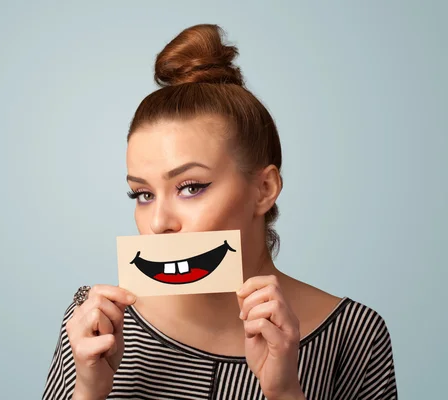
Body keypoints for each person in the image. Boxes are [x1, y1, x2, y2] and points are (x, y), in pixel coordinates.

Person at [42, 24, 398, 400]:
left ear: (265, 189)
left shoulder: (355, 334)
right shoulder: (95, 323)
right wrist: (88, 390)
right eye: (143, 194)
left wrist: (284, 391)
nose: (160, 223)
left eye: (191, 187)